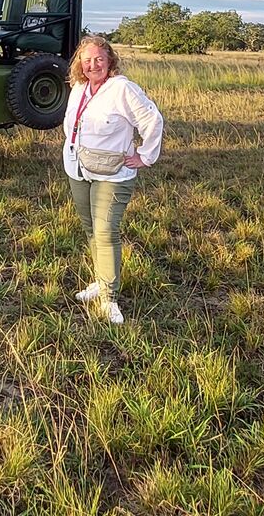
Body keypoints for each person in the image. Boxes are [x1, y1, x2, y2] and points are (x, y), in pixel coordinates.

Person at [62, 35, 164, 325]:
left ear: (110, 61)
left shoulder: (122, 89)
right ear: (79, 63)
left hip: (113, 173)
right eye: (87, 59)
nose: (93, 65)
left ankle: (109, 298)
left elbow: (152, 120)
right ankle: (100, 280)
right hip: (78, 168)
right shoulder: (79, 87)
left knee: (107, 232)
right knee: (91, 230)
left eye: (99, 59)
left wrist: (145, 156)